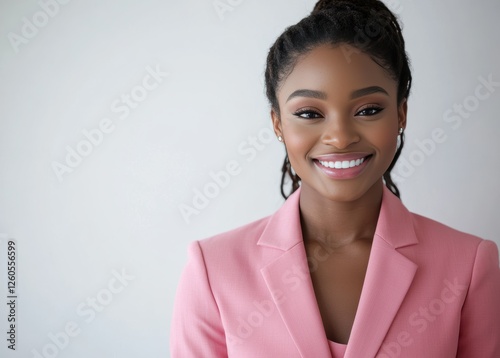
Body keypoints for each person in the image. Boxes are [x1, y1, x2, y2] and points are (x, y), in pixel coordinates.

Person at [170, 0, 500, 356]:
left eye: (369, 110)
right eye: (310, 113)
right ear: (278, 123)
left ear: (401, 114)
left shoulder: (469, 265)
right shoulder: (213, 269)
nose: (340, 137)